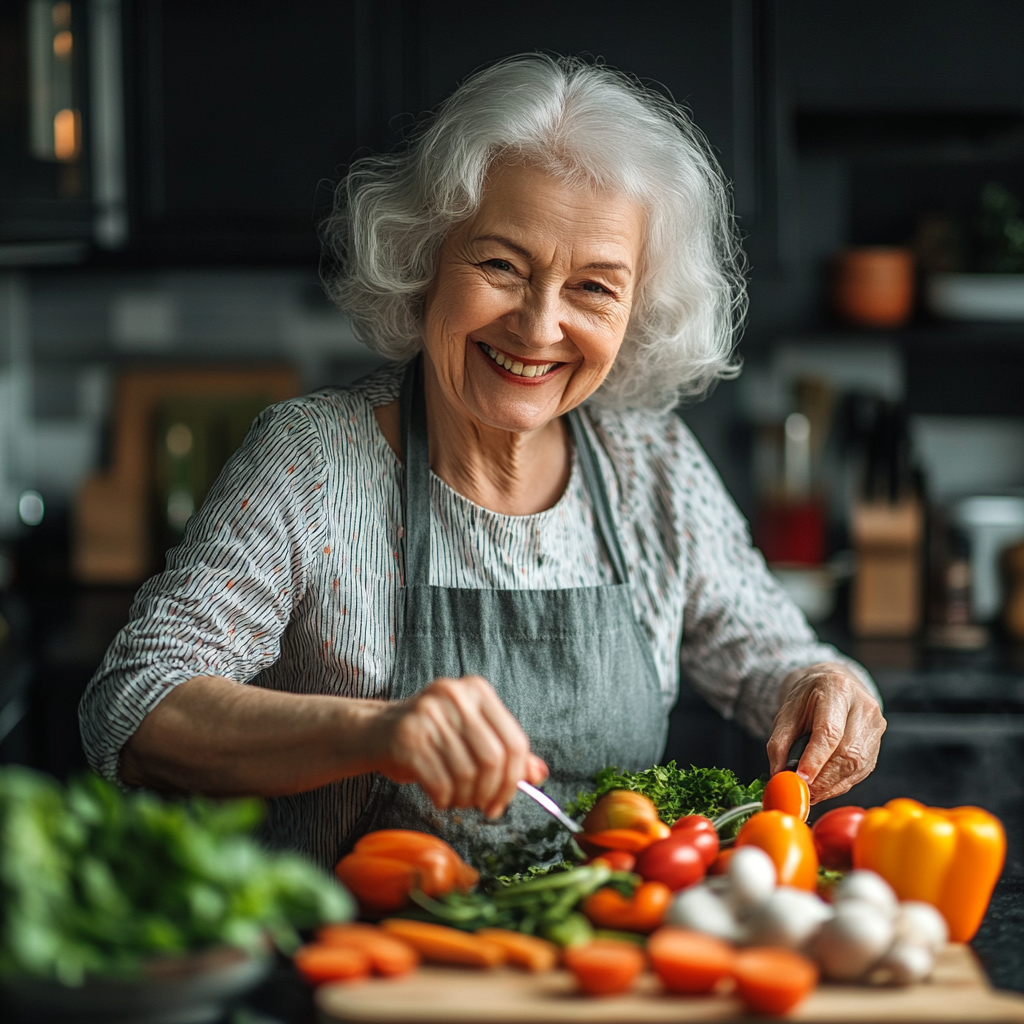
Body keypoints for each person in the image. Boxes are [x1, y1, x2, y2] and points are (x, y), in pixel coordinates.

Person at [80, 55, 885, 869]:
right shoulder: (313, 461)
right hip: (358, 940)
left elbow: (771, 655)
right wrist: (375, 732)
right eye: (501, 265)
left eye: (594, 288)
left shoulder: (651, 463)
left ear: (637, 308)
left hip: (598, 939)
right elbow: (134, 708)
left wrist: (823, 684)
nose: (538, 328)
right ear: (426, 255)